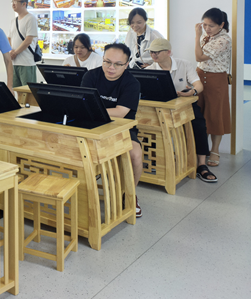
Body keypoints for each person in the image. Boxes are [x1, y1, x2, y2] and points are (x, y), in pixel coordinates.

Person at [81, 43, 143, 217]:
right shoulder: (91, 76)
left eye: (117, 64)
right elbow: (83, 103)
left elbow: (120, 112)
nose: (111, 68)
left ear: (127, 64)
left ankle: (130, 193)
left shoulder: (132, 83)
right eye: (107, 62)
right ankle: (82, 189)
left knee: (135, 154)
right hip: (92, 125)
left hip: (121, 128)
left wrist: (93, 110)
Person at [147, 38, 217, 183]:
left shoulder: (184, 64)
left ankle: (201, 164)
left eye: (157, 52)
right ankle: (155, 160)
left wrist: (192, 92)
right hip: (162, 108)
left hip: (184, 105)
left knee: (199, 124)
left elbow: (198, 85)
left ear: (168, 52)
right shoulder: (149, 70)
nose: (154, 55)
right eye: (152, 52)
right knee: (150, 124)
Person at [195, 7, 231, 168]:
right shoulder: (207, 36)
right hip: (200, 76)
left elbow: (199, 56)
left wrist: (197, 36)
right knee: (199, 115)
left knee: (215, 115)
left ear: (221, 25)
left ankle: (215, 150)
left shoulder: (224, 40)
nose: (207, 29)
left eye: (211, 26)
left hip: (216, 79)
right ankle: (201, 149)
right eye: (204, 25)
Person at [7, 0, 38, 87]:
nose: (13, 4)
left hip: (26, 62)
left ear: (24, 4)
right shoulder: (13, 21)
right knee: (17, 90)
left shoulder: (31, 18)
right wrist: (10, 52)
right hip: (14, 62)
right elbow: (9, 38)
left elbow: (28, 40)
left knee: (28, 91)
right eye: (12, 1)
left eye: (15, 2)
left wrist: (15, 52)